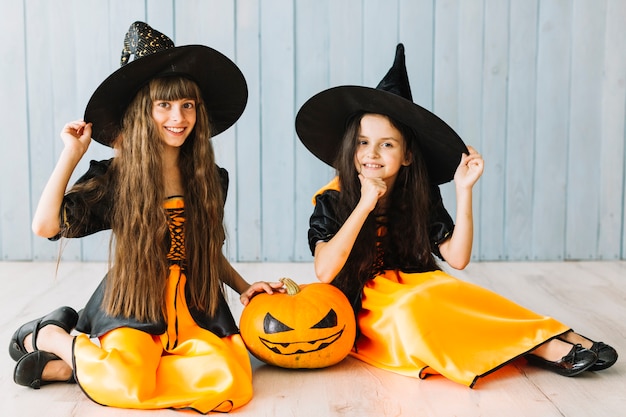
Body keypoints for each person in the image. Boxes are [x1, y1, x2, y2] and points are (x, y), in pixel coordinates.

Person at [295, 43, 617, 388]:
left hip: (417, 283)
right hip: (365, 302)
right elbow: (325, 270)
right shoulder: (332, 198)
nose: (372, 153)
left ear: (406, 156)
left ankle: (554, 333)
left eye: (387, 144)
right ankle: (542, 348)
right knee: (415, 308)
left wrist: (464, 190)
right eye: (362, 142)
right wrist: (365, 203)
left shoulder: (418, 193)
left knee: (462, 295)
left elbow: (457, 258)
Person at [8, 21, 281, 413]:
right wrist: (71, 154)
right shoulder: (117, 178)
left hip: (195, 305)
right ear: (142, 111)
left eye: (188, 104)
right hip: (135, 301)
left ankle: (74, 369)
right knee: (128, 382)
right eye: (164, 105)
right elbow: (45, 226)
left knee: (232, 380)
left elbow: (204, 249)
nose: (179, 116)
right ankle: (55, 339)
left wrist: (243, 287)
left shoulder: (209, 178)